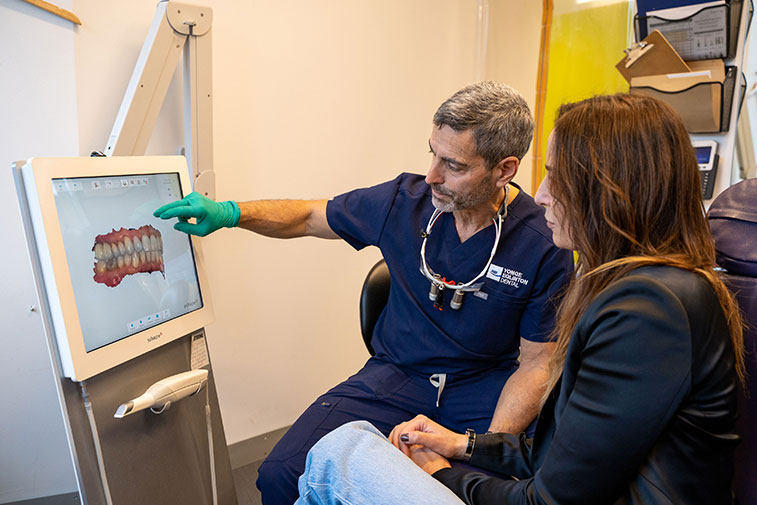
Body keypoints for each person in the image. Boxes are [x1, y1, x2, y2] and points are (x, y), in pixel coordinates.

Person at [293, 93, 746, 505]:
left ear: (613, 192)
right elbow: (563, 451)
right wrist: (462, 445)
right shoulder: (642, 289)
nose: (542, 195)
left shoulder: (649, 312)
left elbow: (548, 500)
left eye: (556, 176)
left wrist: (444, 475)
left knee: (341, 452)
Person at [153, 81, 574, 505]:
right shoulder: (404, 201)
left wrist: (481, 448)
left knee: (459, 493)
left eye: (453, 165)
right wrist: (231, 213)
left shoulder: (541, 241)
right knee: (283, 475)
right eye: (432, 153)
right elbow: (309, 216)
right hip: (395, 376)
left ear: (504, 169)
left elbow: (537, 363)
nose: (432, 176)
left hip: (483, 389)